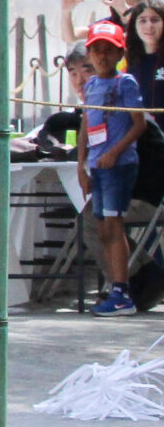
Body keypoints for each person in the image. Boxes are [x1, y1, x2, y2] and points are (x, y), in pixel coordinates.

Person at [81, 18, 147, 315]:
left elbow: (138, 124)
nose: (102, 56)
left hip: (118, 166)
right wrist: (83, 164)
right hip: (97, 166)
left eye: (109, 50)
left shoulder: (126, 83)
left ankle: (122, 291)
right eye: (97, 50)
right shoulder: (92, 84)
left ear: (120, 54)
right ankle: (114, 285)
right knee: (102, 229)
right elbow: (86, 124)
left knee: (114, 224)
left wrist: (115, 153)